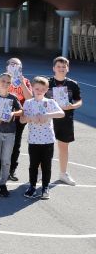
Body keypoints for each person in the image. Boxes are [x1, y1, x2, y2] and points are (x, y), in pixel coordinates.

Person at [22, 77, 65, 199]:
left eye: (42, 89)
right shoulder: (29, 103)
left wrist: (48, 114)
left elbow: (61, 113)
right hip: (34, 140)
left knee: (47, 165)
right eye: (37, 89)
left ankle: (45, 187)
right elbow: (22, 119)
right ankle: (32, 186)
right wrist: (31, 118)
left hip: (48, 140)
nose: (39, 91)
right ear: (33, 88)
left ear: (46, 89)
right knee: (33, 165)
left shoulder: (50, 102)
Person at [46, 56, 82, 185]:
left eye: (64, 66)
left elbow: (79, 100)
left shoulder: (73, 84)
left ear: (68, 68)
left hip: (66, 119)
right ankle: (39, 172)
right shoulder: (47, 83)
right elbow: (39, 98)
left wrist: (72, 106)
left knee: (63, 147)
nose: (61, 69)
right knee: (45, 147)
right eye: (58, 66)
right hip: (49, 120)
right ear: (53, 68)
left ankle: (63, 173)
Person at [0, 58, 32, 181]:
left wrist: (22, 82)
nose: (15, 67)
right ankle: (1, 170)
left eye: (17, 65)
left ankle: (11, 170)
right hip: (4, 117)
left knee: (15, 145)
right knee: (2, 144)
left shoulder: (25, 81)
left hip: (18, 117)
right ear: (7, 67)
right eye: (12, 65)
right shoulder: (2, 79)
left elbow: (29, 98)